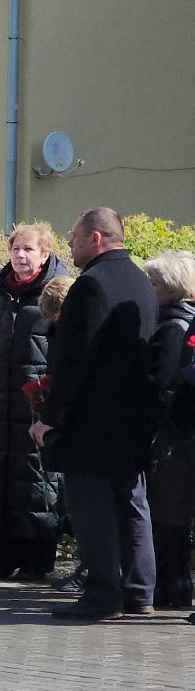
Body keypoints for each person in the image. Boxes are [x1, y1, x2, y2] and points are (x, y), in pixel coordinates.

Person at [36, 209, 159, 620]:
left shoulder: (91, 284)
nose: (70, 245)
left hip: (91, 421)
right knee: (131, 503)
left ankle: (102, 595)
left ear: (96, 238)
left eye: (74, 237)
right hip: (133, 417)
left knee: (92, 509)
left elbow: (74, 360)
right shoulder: (140, 280)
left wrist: (50, 417)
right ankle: (139, 591)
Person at [0, 223, 68, 582]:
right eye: (16, 249)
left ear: (45, 254)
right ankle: (4, 556)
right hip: (1, 399)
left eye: (29, 249)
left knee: (36, 480)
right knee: (1, 475)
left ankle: (37, 559)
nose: (21, 255)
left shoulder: (56, 292)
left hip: (35, 399)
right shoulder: (1, 294)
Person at [144, 252, 195, 614]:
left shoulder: (174, 327)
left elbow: (165, 381)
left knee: (170, 512)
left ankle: (173, 584)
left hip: (176, 433)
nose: (149, 288)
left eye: (155, 282)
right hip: (179, 430)